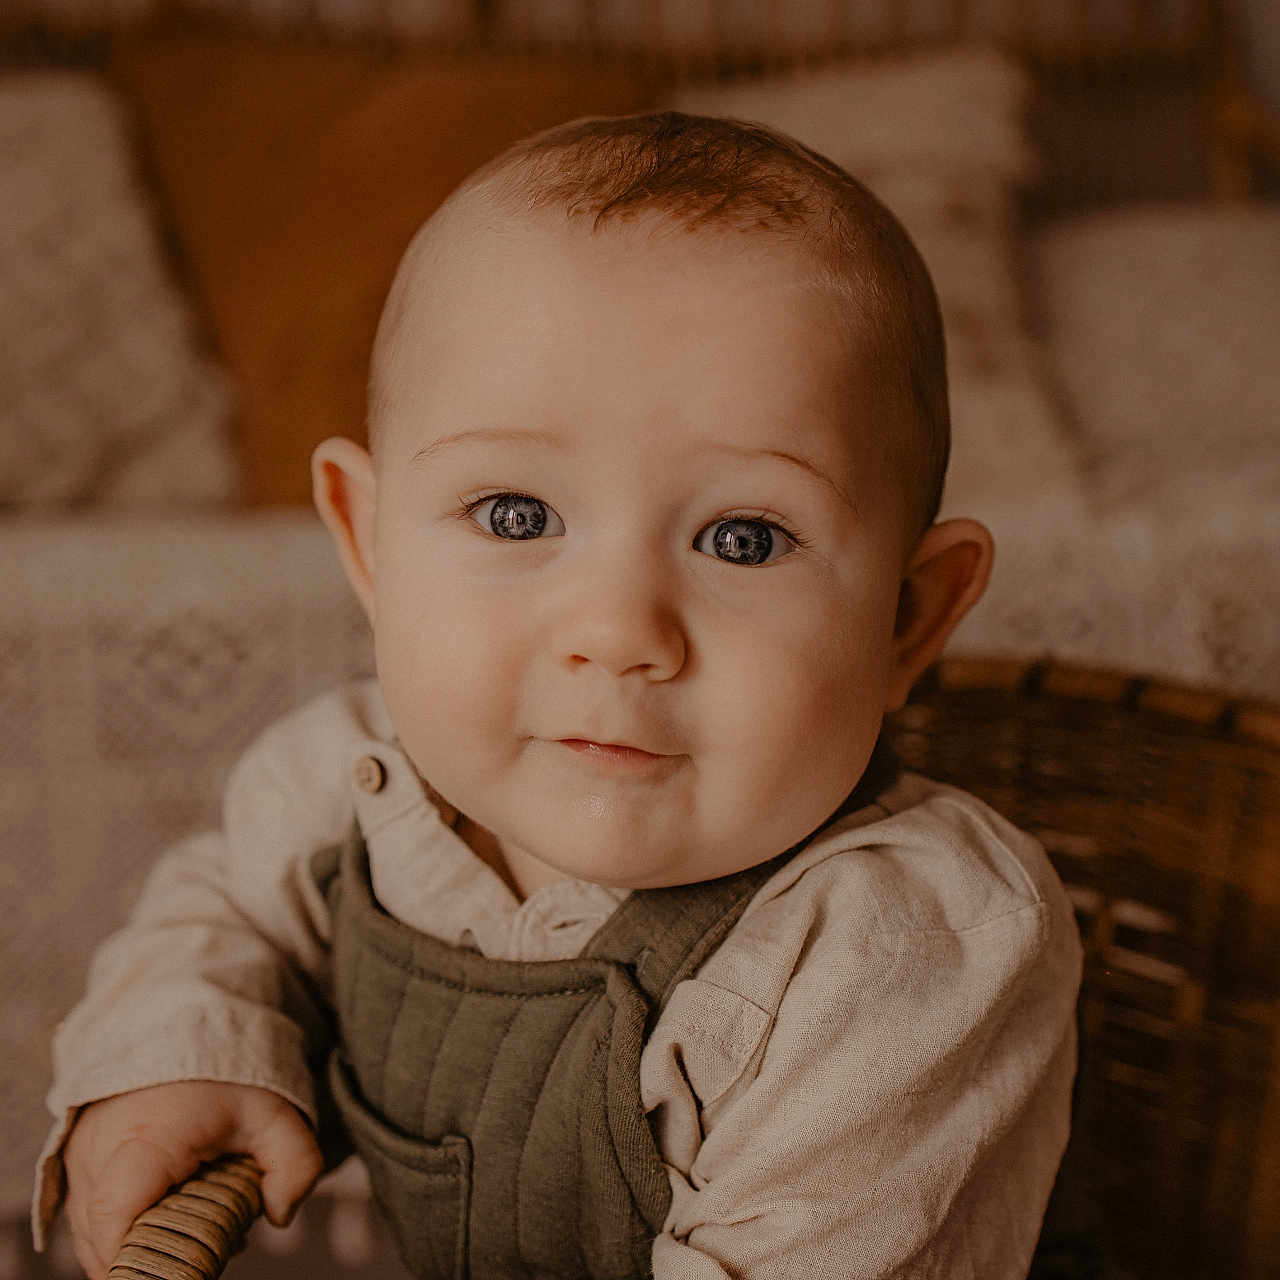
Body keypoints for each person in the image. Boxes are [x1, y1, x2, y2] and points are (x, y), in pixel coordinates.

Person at [37, 111, 1082, 1279]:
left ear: (906, 616)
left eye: (741, 536)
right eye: (515, 514)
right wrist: (182, 1048)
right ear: (370, 543)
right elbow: (227, 903)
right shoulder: (350, 779)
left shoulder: (895, 953)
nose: (617, 632)